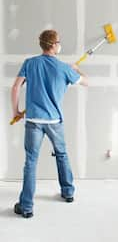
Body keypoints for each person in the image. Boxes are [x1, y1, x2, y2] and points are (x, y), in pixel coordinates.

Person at [11, 30, 88, 218]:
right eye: (58, 42)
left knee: (30, 161)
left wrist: (16, 111)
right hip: (54, 121)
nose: (59, 45)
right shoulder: (63, 68)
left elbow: (15, 87)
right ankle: (68, 193)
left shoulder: (30, 63)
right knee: (61, 155)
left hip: (33, 121)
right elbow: (87, 83)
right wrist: (77, 71)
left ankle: (26, 206)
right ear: (53, 45)